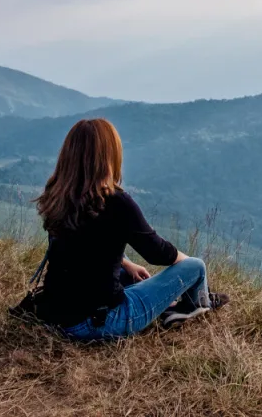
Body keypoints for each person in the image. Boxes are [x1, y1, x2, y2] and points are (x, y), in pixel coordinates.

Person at [30, 118, 227, 340]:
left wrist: (127, 263)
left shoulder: (58, 195)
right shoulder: (116, 202)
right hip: (99, 322)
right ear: (109, 156)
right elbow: (157, 252)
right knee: (196, 266)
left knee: (128, 275)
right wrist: (184, 262)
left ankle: (175, 301)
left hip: (54, 315)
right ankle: (192, 305)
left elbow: (82, 246)